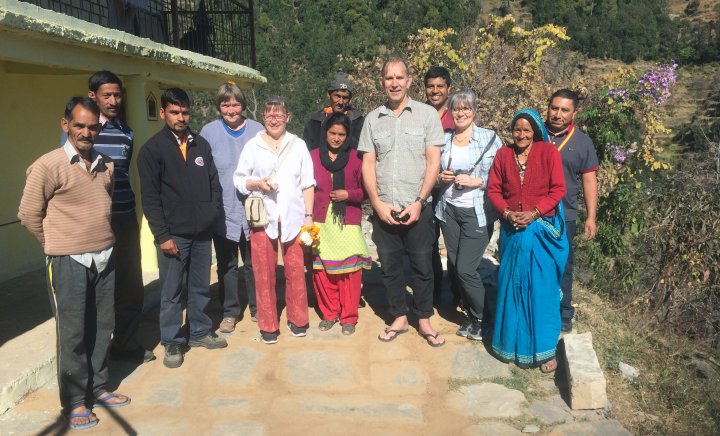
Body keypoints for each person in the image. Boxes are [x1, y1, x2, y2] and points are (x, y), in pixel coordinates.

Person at [18, 97, 130, 430]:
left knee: (102, 326)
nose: (86, 132)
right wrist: (55, 244)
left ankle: (98, 387)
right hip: (68, 262)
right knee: (73, 333)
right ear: (65, 124)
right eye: (79, 125)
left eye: (92, 126)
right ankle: (75, 401)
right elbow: (27, 214)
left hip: (104, 257)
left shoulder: (106, 164)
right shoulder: (48, 166)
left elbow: (102, 205)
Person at [358, 57, 446, 347]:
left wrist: (420, 201)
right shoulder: (372, 119)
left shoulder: (426, 116)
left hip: (418, 207)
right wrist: (377, 204)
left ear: (409, 81)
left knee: (422, 266)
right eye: (388, 78)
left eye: (399, 77)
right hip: (385, 207)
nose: (394, 83)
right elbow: (368, 165)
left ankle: (423, 317)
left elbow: (433, 162)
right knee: (390, 266)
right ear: (382, 82)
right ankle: (398, 316)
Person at [137, 88, 226, 369]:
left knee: (199, 286)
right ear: (162, 113)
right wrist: (162, 236)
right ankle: (173, 341)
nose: (180, 117)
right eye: (174, 112)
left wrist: (211, 215)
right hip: (173, 235)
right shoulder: (152, 150)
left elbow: (214, 183)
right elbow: (150, 198)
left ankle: (199, 331)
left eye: (185, 112)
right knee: (172, 291)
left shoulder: (200, 144)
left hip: (202, 232)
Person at [487, 108, 568, 373]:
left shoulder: (548, 154)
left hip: (542, 230)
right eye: (517, 129)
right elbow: (494, 189)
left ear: (535, 132)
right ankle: (510, 344)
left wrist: (533, 214)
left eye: (526, 129)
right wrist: (508, 213)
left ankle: (544, 351)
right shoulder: (503, 155)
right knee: (512, 287)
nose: (521, 134)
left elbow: (558, 189)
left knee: (540, 291)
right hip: (513, 230)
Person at [234, 96, 316, 344]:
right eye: (269, 114)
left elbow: (308, 183)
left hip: (293, 216)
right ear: (263, 118)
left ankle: (298, 319)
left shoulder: (298, 145)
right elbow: (238, 180)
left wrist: (309, 218)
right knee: (263, 272)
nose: (274, 118)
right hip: (263, 217)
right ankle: (268, 324)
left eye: (279, 114)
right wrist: (257, 183)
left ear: (288, 117)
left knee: (295, 270)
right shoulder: (253, 146)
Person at [84, 71, 153, 363]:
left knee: (130, 286)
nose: (113, 100)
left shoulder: (126, 131)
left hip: (125, 219)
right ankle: (97, 354)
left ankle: (126, 344)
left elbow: (124, 174)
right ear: (93, 96)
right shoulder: (83, 131)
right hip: (95, 223)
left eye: (117, 95)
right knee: (98, 288)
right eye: (106, 95)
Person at [435, 91, 502, 341]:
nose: (461, 113)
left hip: (477, 212)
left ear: (474, 111)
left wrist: (479, 181)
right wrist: (441, 177)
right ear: (450, 112)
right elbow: (433, 168)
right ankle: (474, 316)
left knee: (466, 269)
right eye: (456, 109)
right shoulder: (444, 139)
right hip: (448, 210)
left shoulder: (490, 138)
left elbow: (504, 175)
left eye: (466, 108)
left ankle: (483, 317)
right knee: (455, 265)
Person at [200, 82, 263, 332]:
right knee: (227, 264)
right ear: (219, 106)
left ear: (242, 104)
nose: (231, 109)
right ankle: (230, 311)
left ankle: (258, 307)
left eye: (235, 103)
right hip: (223, 210)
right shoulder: (209, 131)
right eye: (225, 104)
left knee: (253, 262)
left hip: (254, 208)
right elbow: (202, 169)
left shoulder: (257, 130)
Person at [310, 112, 371, 335]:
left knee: (350, 272)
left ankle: (348, 317)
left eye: (341, 134)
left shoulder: (356, 158)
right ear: (325, 132)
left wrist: (349, 194)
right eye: (333, 133)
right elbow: (304, 187)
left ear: (348, 136)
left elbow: (367, 189)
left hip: (347, 222)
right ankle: (329, 313)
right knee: (323, 271)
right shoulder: (313, 157)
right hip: (321, 221)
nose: (336, 138)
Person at [544, 89, 599, 333]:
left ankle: (564, 312)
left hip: (564, 215)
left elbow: (589, 181)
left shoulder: (582, 142)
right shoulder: (534, 133)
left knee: (563, 266)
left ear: (574, 112)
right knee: (535, 263)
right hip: (534, 213)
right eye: (554, 108)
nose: (557, 114)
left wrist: (591, 217)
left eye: (564, 110)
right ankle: (536, 307)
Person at [424, 66, 459, 307]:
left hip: (450, 192)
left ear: (448, 89)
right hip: (425, 191)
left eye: (440, 86)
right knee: (427, 246)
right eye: (430, 86)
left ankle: (458, 295)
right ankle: (433, 294)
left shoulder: (456, 116)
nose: (435, 91)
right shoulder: (419, 114)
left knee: (455, 247)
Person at [303, 72, 365, 151]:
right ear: (329, 95)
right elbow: (307, 150)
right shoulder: (315, 122)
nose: (340, 102)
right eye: (337, 96)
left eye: (345, 98)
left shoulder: (358, 122)